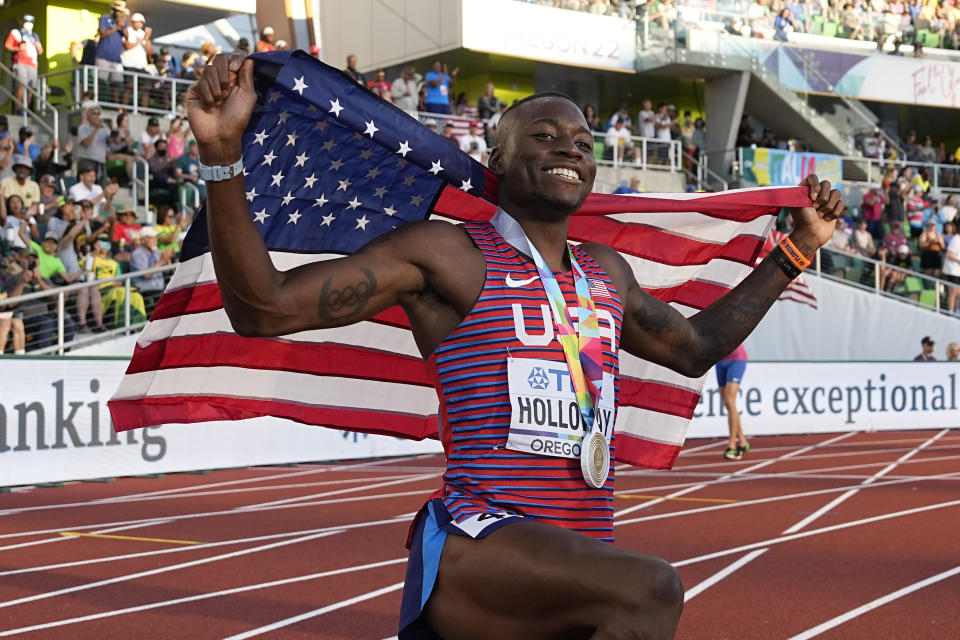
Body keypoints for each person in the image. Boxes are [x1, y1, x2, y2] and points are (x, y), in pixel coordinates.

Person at [188, 52, 844, 640]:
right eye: (546, 135)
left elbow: (698, 346)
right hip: (479, 536)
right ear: (500, 160)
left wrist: (798, 249)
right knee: (651, 590)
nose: (570, 147)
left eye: (584, 141)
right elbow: (264, 308)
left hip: (576, 548)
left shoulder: (605, 272)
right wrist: (222, 154)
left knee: (628, 594)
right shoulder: (449, 255)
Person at [716, 344, 750, 460]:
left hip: (737, 359)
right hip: (720, 361)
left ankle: (732, 445)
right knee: (728, 404)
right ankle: (743, 441)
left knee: (730, 401)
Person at [4, 15, 43, 111]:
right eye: (26, 22)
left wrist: (38, 46)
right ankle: (18, 109)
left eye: (31, 22)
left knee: (31, 89)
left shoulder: (34, 35)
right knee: (21, 86)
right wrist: (18, 48)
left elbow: (41, 51)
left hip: (33, 64)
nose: (29, 24)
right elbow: (7, 45)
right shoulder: (16, 32)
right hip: (20, 63)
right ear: (22, 22)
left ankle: (26, 110)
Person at [96, 1, 130, 104]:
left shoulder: (124, 21)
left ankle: (116, 105)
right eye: (118, 11)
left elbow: (127, 37)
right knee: (100, 81)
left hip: (116, 58)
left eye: (121, 11)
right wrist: (116, 27)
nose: (119, 13)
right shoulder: (105, 18)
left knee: (116, 84)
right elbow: (102, 34)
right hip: (103, 56)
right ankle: (95, 101)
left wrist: (122, 26)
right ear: (114, 10)